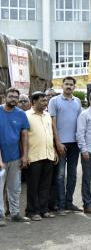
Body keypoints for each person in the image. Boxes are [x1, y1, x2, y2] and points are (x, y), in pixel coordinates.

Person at [48, 76, 82, 215]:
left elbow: (80, 123)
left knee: (73, 175)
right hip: (61, 144)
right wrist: (58, 142)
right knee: (60, 176)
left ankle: (69, 203)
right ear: (62, 86)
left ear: (74, 86)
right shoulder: (54, 101)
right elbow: (53, 123)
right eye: (66, 84)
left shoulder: (77, 101)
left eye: (71, 84)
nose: (68, 86)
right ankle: (60, 205)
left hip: (75, 144)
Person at [0, 88, 30, 227]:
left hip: (15, 156)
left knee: (15, 187)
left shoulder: (21, 114)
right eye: (10, 96)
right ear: (5, 97)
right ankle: (0, 216)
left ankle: (15, 214)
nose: (13, 99)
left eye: (16, 97)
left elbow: (24, 135)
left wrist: (24, 155)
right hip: (1, 157)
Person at [26, 91, 56, 221]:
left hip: (48, 155)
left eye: (46, 101)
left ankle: (44, 210)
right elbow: (23, 137)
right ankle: (32, 211)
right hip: (33, 156)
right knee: (33, 186)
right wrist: (24, 155)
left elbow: (51, 135)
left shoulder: (47, 115)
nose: (45, 103)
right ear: (33, 102)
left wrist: (54, 151)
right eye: (42, 101)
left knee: (45, 185)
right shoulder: (26, 116)